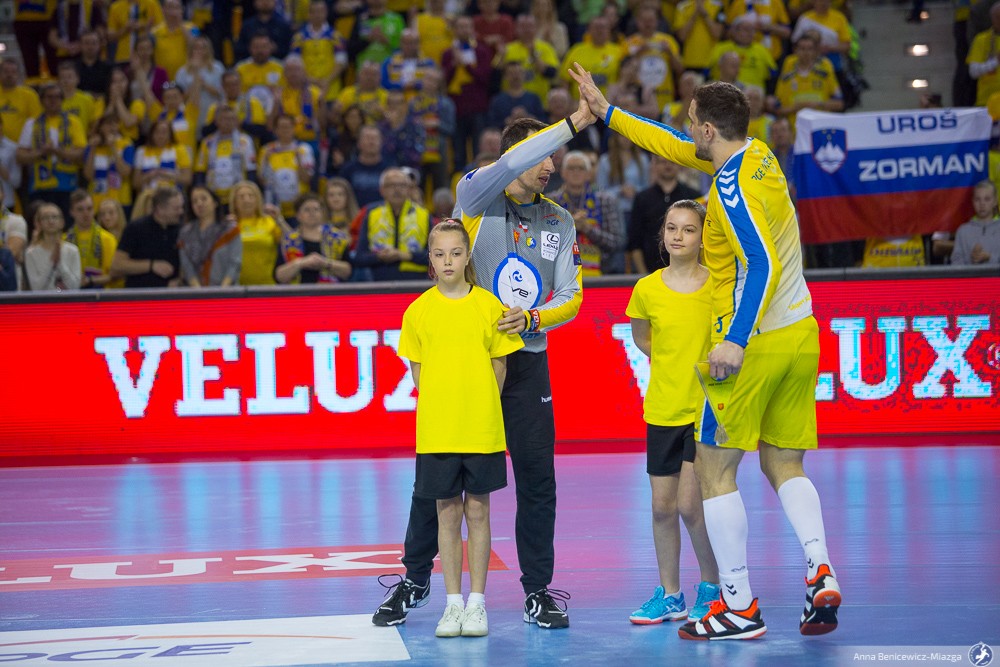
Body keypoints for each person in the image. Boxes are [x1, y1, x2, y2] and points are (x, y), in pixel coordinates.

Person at [570, 65, 841, 640]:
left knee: (715, 471)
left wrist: (735, 339)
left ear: (710, 130)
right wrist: (608, 112)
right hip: (802, 331)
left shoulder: (730, 192)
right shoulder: (759, 154)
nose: (687, 129)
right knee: (783, 463)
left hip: (757, 342)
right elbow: (674, 144)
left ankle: (738, 606)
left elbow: (761, 263)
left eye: (693, 122)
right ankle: (820, 568)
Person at [372, 101, 595, 629]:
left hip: (526, 361)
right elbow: (508, 165)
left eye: (555, 155)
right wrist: (571, 124)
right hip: (468, 365)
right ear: (517, 155)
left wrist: (534, 318)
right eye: (544, 155)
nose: (552, 165)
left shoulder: (558, 219)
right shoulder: (475, 196)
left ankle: (537, 590)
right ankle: (415, 579)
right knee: (437, 481)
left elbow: (573, 295)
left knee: (537, 478)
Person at [396, 219, 524, 638]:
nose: (448, 261)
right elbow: (419, 372)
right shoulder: (418, 311)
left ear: (467, 256)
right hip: (438, 431)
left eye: (455, 253)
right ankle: (452, 604)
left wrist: (479, 404)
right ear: (430, 260)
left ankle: (477, 603)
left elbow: (500, 366)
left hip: (481, 428)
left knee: (479, 511)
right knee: (446, 514)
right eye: (439, 254)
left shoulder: (489, 306)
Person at [625, 199, 720, 626]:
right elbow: (644, 339)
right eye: (672, 228)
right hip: (662, 409)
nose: (678, 236)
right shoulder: (646, 289)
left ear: (703, 237)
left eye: (688, 229)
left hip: (705, 412)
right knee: (662, 507)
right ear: (662, 235)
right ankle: (670, 594)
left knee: (689, 506)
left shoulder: (718, 286)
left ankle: (712, 587)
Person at [16, 85, 87, 219]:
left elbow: (81, 154)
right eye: (49, 97)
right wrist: (41, 152)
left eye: (57, 97)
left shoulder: (73, 122)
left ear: (62, 100)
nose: (53, 100)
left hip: (67, 186)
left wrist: (56, 151)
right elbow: (20, 156)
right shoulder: (31, 123)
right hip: (39, 186)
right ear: (42, 100)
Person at [549, 150, 625, 276]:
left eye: (581, 168)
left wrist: (588, 229)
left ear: (589, 174)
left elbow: (616, 242)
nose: (576, 172)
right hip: (560, 272)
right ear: (562, 172)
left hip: (602, 274)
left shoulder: (606, 201)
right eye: (571, 168)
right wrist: (570, 224)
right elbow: (546, 241)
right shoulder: (551, 202)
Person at [628, 154, 703, 274]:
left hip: (689, 272)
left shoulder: (694, 196)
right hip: (649, 271)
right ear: (655, 165)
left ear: (679, 165)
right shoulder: (642, 198)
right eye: (663, 162)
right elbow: (635, 242)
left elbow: (701, 238)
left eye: (672, 162)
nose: (668, 166)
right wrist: (643, 275)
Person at [353, 167, 432, 281]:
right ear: (382, 190)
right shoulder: (371, 214)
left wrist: (406, 255)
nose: (397, 189)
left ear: (409, 189)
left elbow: (435, 256)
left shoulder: (424, 215)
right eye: (391, 185)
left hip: (415, 282)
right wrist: (378, 257)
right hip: (378, 283)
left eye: (402, 185)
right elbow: (359, 258)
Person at [111, 186, 184, 288]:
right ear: (160, 209)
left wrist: (179, 281)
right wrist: (151, 265)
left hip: (171, 294)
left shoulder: (181, 230)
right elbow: (117, 266)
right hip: (140, 293)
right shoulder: (135, 228)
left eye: (181, 207)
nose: (181, 211)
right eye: (176, 208)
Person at [275, 193, 353, 283]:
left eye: (316, 209)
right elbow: (279, 276)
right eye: (307, 210)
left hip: (330, 290)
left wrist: (325, 263)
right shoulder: (288, 241)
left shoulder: (337, 238)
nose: (312, 213)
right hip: (297, 290)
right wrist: (301, 263)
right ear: (298, 215)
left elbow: (348, 271)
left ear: (322, 213)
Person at [178, 185, 242, 287]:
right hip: (194, 291)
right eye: (195, 201)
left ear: (215, 202)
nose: (199, 203)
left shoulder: (230, 230)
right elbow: (186, 265)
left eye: (204, 199)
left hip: (227, 290)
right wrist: (197, 289)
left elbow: (235, 263)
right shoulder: (185, 233)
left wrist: (223, 289)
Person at [229, 180, 284, 285]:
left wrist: (280, 220)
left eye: (251, 196)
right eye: (241, 197)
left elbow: (289, 242)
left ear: (258, 199)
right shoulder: (230, 225)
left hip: (268, 284)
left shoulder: (268, 221)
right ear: (234, 202)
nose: (246, 200)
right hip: (237, 286)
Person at [66, 190, 119, 289]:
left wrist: (90, 280)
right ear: (72, 212)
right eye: (80, 209)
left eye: (89, 209)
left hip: (102, 293)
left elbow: (115, 275)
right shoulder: (64, 240)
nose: (86, 213)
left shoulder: (108, 239)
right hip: (71, 292)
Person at [24, 203, 82, 291]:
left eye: (54, 217)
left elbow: (75, 287)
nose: (51, 221)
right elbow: (36, 288)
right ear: (39, 223)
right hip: (44, 299)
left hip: (68, 299)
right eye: (46, 218)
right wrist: (51, 262)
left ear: (62, 222)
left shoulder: (73, 251)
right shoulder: (31, 253)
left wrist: (60, 264)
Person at [951, 179, 1000, 265]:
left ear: (995, 201)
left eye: (987, 199)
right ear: (973, 201)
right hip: (970, 274)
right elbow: (955, 264)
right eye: (977, 199)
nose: (982, 204)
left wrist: (990, 258)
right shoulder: (963, 231)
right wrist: (971, 259)